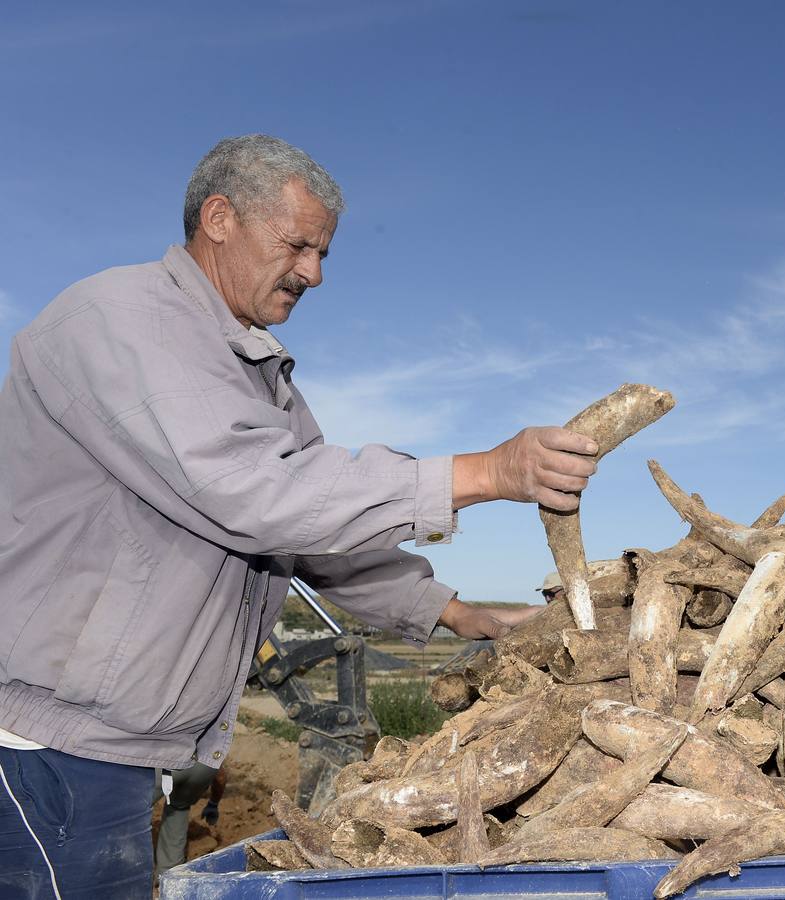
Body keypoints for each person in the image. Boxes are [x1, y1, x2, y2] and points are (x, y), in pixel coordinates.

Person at [0, 134, 600, 898]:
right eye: (298, 246)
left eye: (323, 255)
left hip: (107, 750)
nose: (313, 273)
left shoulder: (252, 374)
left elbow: (314, 532)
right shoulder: (124, 321)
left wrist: (455, 611)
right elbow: (257, 495)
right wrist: (487, 472)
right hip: (45, 749)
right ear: (219, 218)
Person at [153, 763, 227, 878]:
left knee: (130, 809)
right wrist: (213, 803)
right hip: (203, 769)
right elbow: (220, 775)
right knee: (178, 808)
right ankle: (167, 875)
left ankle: (124, 868)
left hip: (169, 760)